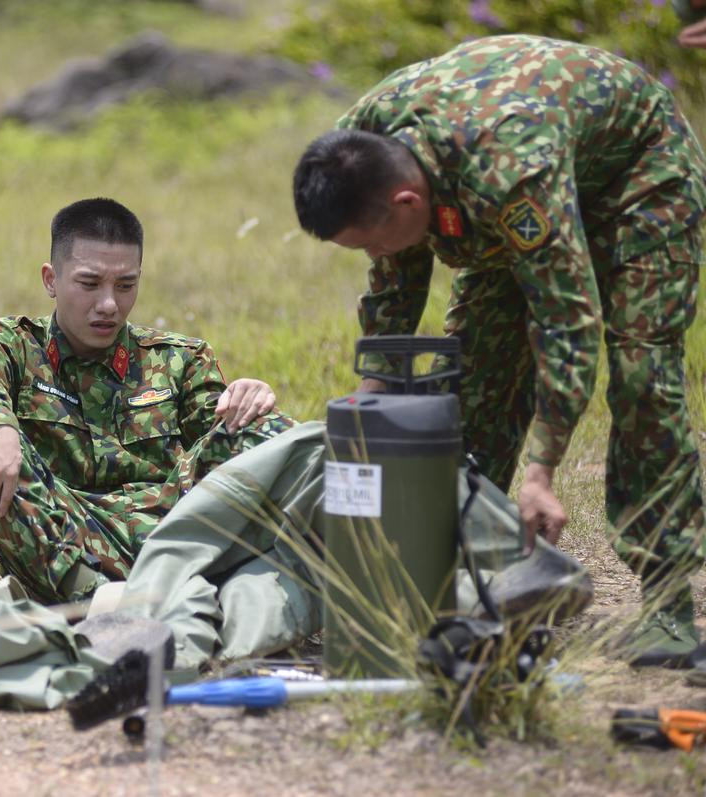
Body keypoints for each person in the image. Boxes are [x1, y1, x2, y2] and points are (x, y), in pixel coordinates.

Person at [291, 35, 706, 667]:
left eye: (371, 243)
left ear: (408, 202)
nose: (373, 257)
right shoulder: (358, 148)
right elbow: (393, 277)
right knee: (474, 373)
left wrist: (542, 471)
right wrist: (373, 392)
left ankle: (670, 602)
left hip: (638, 177)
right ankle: (467, 569)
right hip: (484, 191)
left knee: (642, 372)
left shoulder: (512, 171)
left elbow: (566, 319)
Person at [0, 197, 294, 604]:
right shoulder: (14, 344)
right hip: (63, 544)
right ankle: (95, 603)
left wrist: (249, 402)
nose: (109, 305)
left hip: (170, 534)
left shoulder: (179, 359)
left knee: (266, 431)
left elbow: (221, 437)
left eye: (125, 286)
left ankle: (307, 578)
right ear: (51, 280)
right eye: (89, 284)